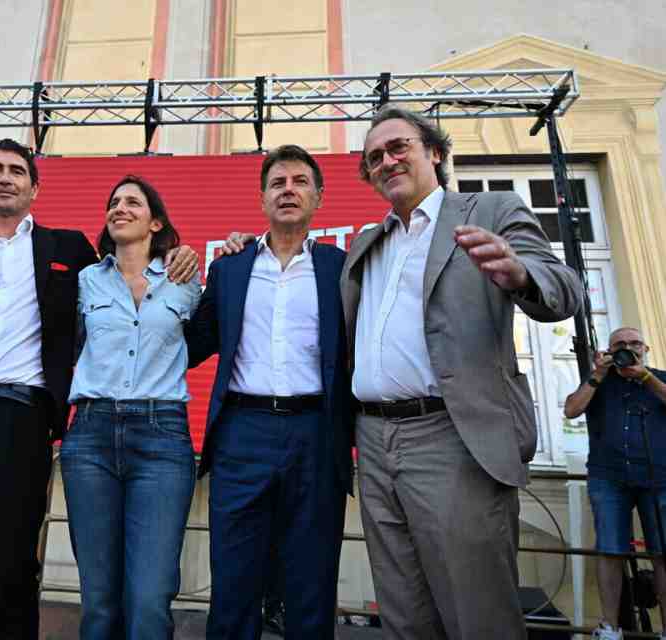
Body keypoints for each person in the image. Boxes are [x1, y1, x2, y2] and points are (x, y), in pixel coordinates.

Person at [0, 137, 196, 639]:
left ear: (34, 188)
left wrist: (179, 253)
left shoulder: (68, 250)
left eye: (16, 171)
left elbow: (130, 267)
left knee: (10, 571)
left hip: (18, 420)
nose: (5, 178)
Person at [340, 105, 582, 639]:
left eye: (398, 147)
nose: (387, 161)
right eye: (374, 157)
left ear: (435, 152)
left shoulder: (490, 210)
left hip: (452, 438)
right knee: (403, 615)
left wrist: (520, 273)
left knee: (478, 615)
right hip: (373, 443)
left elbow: (564, 287)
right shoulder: (366, 244)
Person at [186, 144, 352, 639]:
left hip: (316, 434)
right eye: (278, 183)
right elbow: (192, 346)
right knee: (234, 585)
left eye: (300, 182)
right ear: (262, 199)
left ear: (318, 197)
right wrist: (166, 276)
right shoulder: (230, 267)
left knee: (311, 585)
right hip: (242, 433)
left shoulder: (341, 268)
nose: (288, 190)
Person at [62, 175, 200, 639]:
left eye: (133, 202)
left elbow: (209, 335)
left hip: (162, 438)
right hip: (90, 436)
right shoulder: (85, 281)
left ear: (155, 222)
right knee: (99, 600)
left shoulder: (185, 279)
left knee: (149, 599)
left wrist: (219, 245)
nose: (120, 208)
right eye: (114, 202)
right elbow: (66, 346)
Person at [564, 327, 666, 640]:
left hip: (659, 478)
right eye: (620, 344)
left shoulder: (660, 378)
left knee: (662, 552)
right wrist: (597, 374)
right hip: (608, 477)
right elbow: (571, 410)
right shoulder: (599, 381)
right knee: (609, 549)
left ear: (646, 349)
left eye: (634, 343)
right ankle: (609, 627)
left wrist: (645, 377)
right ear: (609, 351)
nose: (628, 348)